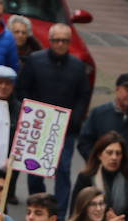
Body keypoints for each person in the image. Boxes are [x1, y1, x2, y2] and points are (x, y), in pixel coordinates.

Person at [17, 23, 89, 209]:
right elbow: (23, 89)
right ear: (49, 41)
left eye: (64, 41)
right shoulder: (34, 60)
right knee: (34, 170)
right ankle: (38, 204)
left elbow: (83, 95)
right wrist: (32, 114)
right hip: (39, 126)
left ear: (69, 42)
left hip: (66, 128)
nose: (60, 44)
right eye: (56, 40)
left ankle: (60, 212)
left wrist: (76, 118)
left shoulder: (78, 67)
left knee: (64, 170)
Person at [77, 72, 128, 221]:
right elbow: (84, 142)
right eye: (127, 90)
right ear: (117, 90)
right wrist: (98, 163)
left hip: (125, 179)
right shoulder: (99, 114)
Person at [71, 132, 128, 221]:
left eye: (118, 153)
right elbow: (75, 214)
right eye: (109, 152)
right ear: (99, 155)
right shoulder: (86, 178)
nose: (114, 157)